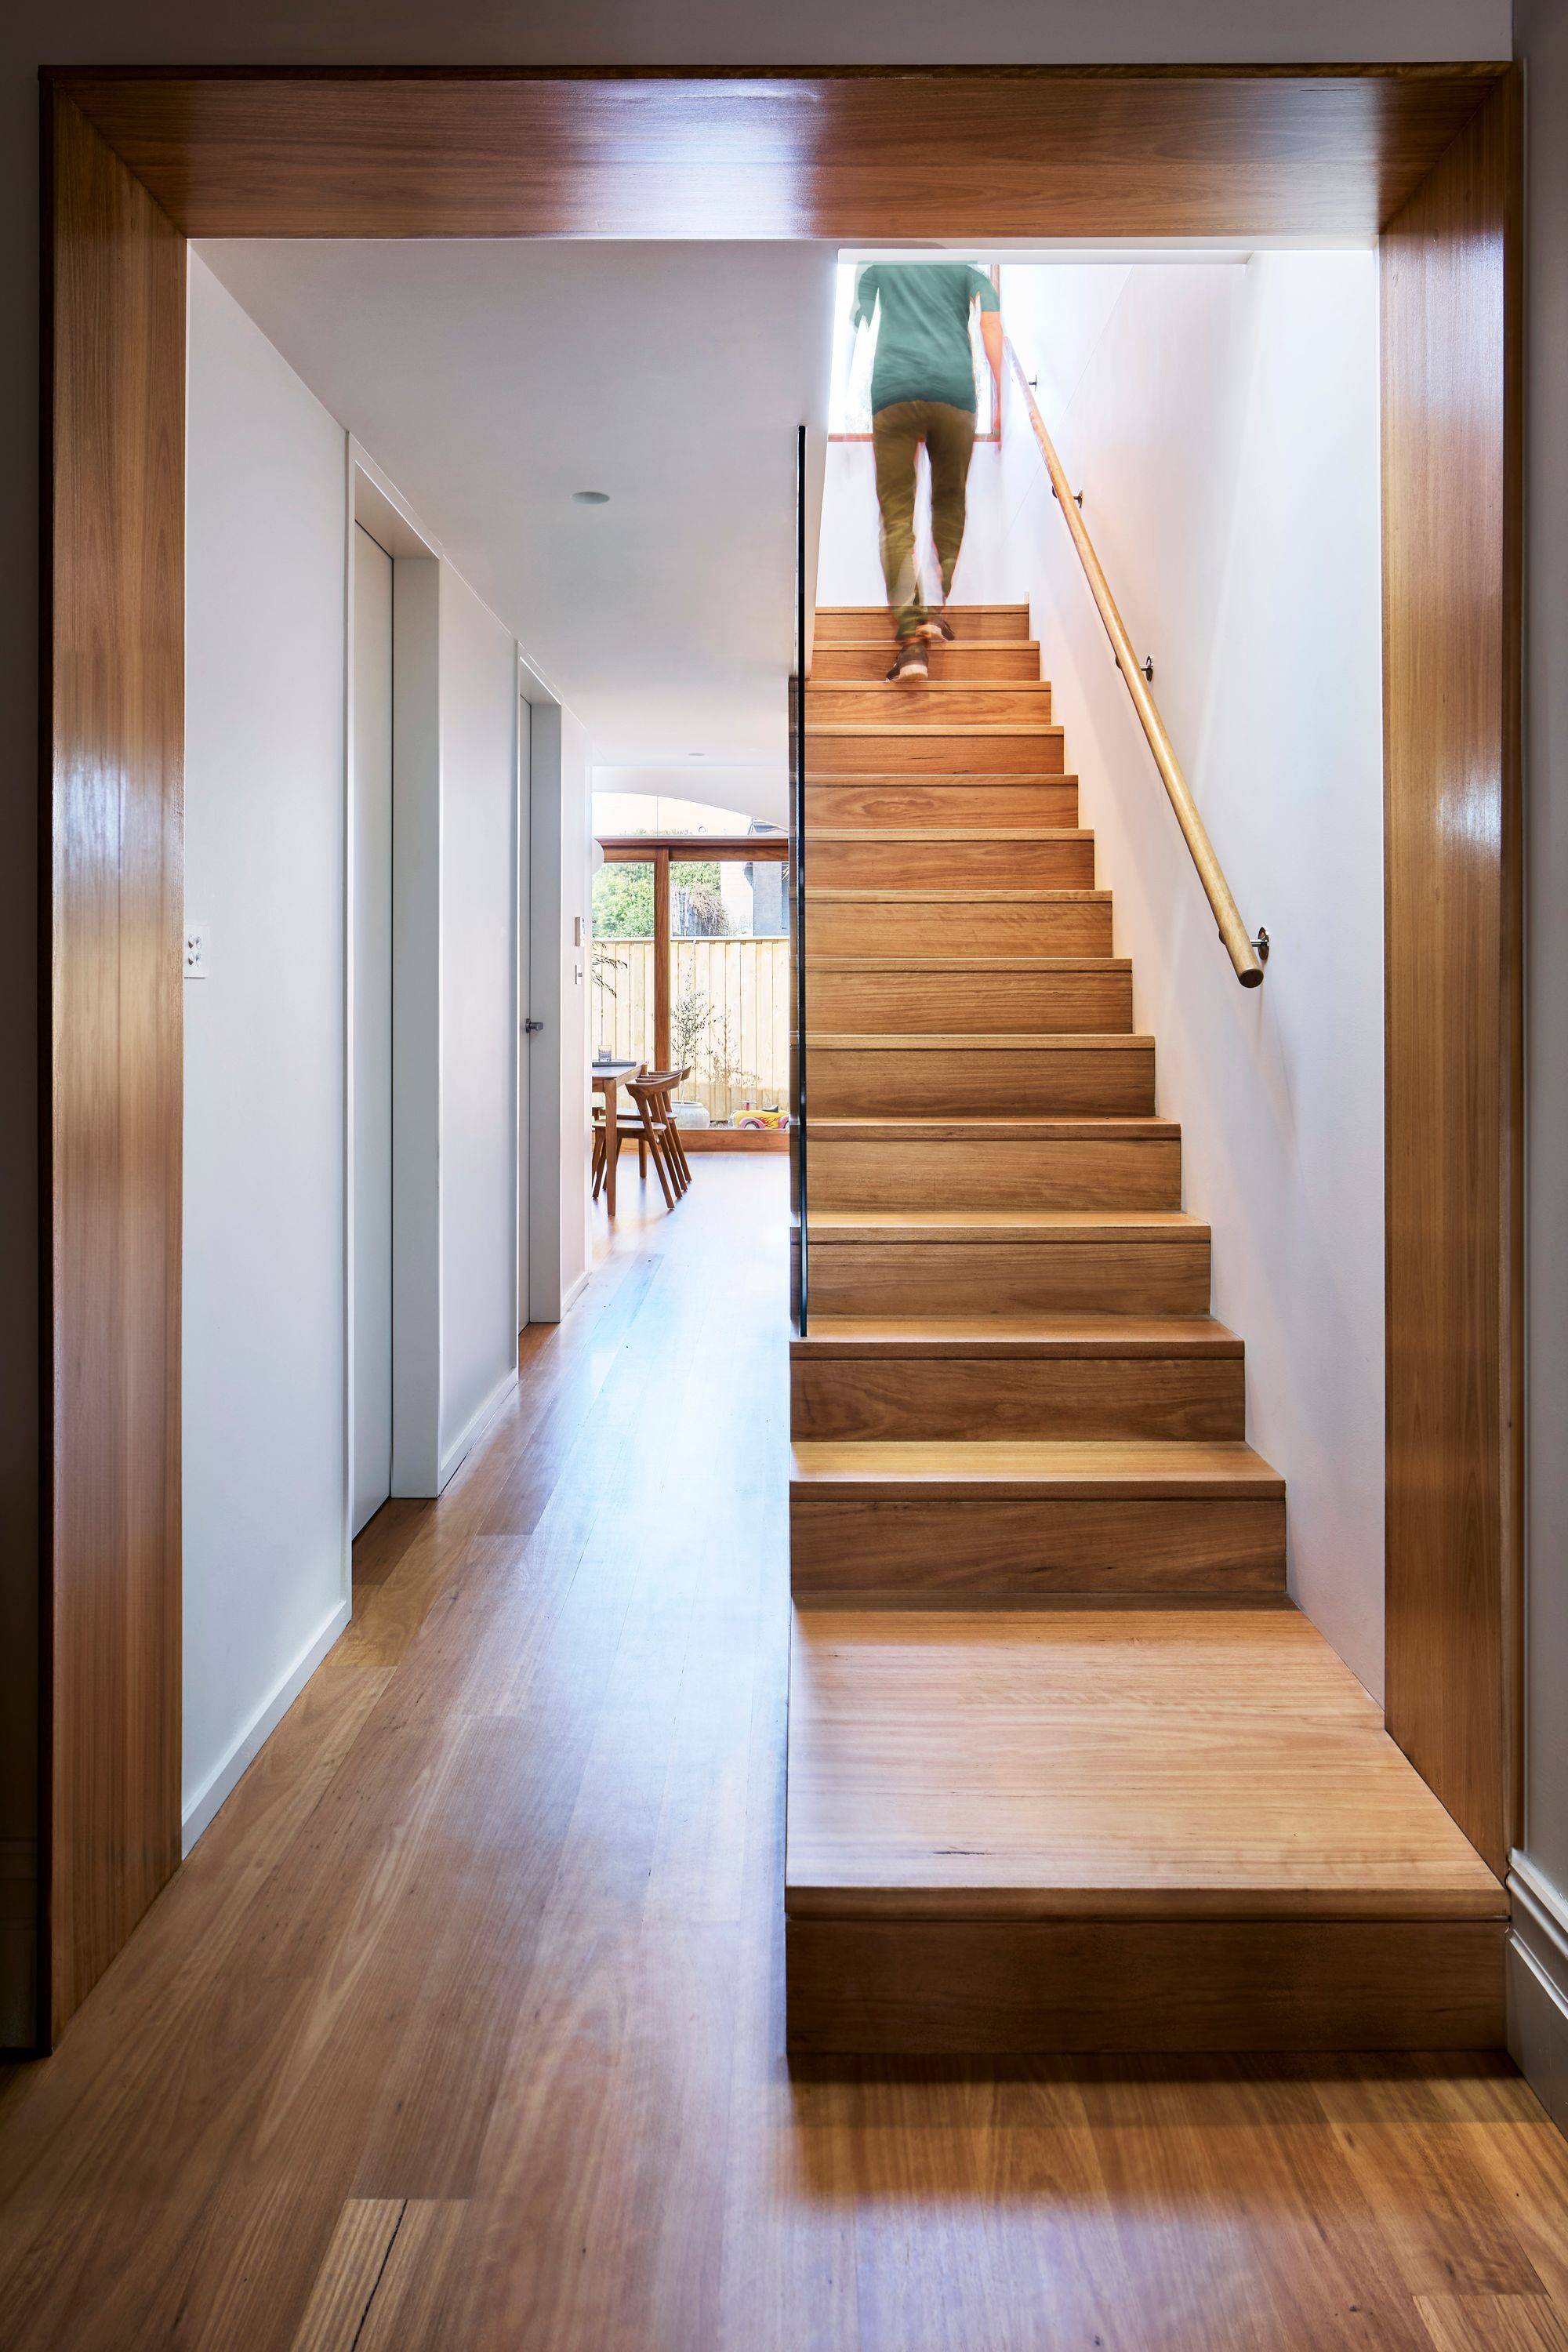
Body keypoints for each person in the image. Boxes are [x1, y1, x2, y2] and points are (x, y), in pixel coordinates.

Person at [851, 262, 1004, 683]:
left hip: (893, 390)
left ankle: (911, 643)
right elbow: (991, 325)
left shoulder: (878, 265)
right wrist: (1001, 400)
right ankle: (933, 610)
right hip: (954, 393)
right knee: (950, 500)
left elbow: (859, 322)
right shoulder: (971, 273)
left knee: (897, 516)